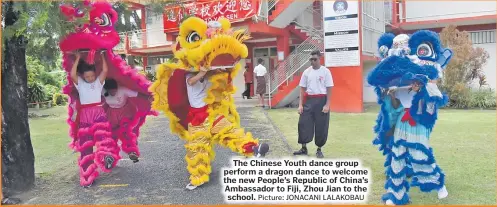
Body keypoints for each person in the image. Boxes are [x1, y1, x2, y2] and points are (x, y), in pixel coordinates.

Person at [382, 81, 448, 205]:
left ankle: (439, 185)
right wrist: (390, 95)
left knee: (420, 156)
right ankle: (395, 194)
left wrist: (423, 87)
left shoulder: (427, 89)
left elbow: (437, 99)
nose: (414, 84)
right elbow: (396, 105)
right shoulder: (400, 88)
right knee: (397, 157)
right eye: (413, 81)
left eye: (417, 82)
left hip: (418, 124)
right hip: (402, 124)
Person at [70, 51, 120, 188]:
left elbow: (105, 70)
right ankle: (88, 177)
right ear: (83, 76)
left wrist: (103, 55)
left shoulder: (98, 82)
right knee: (86, 147)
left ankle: (107, 158)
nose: (91, 78)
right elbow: (72, 74)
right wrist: (78, 58)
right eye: (88, 76)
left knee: (104, 139)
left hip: (98, 113)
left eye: (92, 75)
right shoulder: (79, 83)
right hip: (85, 115)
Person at [293, 50, 333, 158]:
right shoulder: (306, 72)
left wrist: (327, 104)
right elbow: (302, 89)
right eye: (311, 59)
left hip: (322, 100)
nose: (313, 61)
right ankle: (303, 148)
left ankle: (319, 149)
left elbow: (329, 89)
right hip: (309, 100)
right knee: (303, 123)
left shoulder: (326, 72)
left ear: (319, 59)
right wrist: (300, 105)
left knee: (321, 126)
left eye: (315, 59)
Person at [102, 79, 152, 163]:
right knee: (111, 134)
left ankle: (132, 151)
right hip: (111, 114)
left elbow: (138, 94)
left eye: (114, 91)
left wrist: (148, 97)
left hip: (125, 113)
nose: (113, 93)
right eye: (110, 92)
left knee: (126, 132)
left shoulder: (122, 89)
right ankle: (110, 154)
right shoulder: (102, 91)